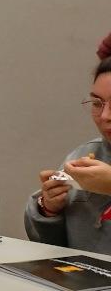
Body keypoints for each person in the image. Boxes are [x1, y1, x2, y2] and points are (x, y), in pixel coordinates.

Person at [25, 58, 111, 252]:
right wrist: (49, 209)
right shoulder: (85, 154)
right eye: (97, 103)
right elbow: (54, 249)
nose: (105, 116)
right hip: (81, 277)